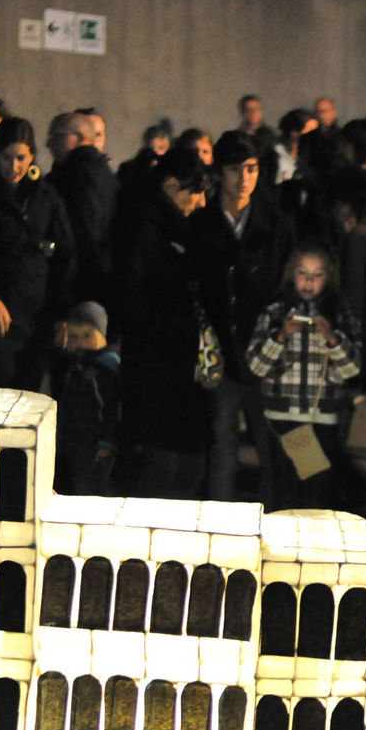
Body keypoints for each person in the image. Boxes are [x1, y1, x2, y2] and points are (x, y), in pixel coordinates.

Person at [188, 131, 296, 503]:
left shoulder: (276, 224)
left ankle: (278, 527)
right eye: (235, 169)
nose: (244, 178)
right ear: (220, 173)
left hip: (267, 355)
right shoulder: (201, 225)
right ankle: (219, 536)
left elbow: (289, 285)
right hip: (221, 358)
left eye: (251, 169)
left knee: (275, 449)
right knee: (222, 451)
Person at [113, 148, 217, 500]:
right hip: (158, 364)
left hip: (171, 360)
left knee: (183, 461)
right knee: (163, 463)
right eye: (195, 192)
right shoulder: (146, 227)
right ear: (172, 187)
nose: (201, 202)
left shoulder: (169, 226)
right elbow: (138, 295)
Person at [0, 116, 75, 389]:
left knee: (30, 397)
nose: (15, 167)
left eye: (21, 158)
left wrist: (61, 313)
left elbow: (65, 255)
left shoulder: (46, 195)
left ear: (32, 156)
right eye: (7, 158)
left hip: (38, 319)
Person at [245, 244, 362, 511]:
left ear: (329, 277)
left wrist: (332, 338)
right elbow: (255, 366)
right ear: (291, 274)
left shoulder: (340, 312)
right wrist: (281, 336)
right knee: (281, 494)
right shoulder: (275, 311)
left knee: (317, 497)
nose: (309, 281)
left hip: (321, 420)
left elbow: (352, 369)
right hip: (281, 420)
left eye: (317, 274)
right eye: (302, 273)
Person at [46, 111, 118, 308]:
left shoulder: (76, 175)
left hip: (81, 285)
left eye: (57, 135)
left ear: (79, 137)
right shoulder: (103, 171)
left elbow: (84, 233)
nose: (49, 143)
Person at [52, 300, 120, 496]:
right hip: (74, 447)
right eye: (74, 336)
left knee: (91, 494)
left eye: (87, 335)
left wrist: (106, 443)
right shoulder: (78, 364)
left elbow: (112, 408)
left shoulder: (106, 366)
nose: (79, 342)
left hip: (93, 449)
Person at [116, 119, 172, 195]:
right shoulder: (128, 170)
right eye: (151, 149)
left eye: (160, 148)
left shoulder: (170, 174)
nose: (155, 153)